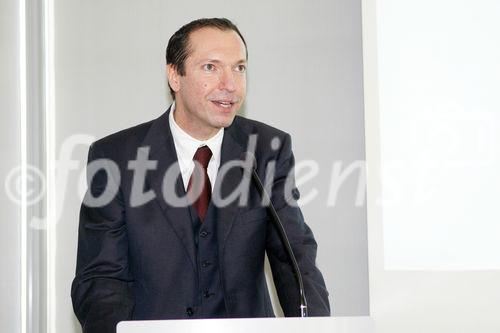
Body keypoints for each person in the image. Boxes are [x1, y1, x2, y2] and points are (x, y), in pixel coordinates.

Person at [71, 18, 330, 333]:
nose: (230, 84)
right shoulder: (116, 158)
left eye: (239, 68)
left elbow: (295, 258)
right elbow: (102, 279)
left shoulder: (266, 150)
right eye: (211, 67)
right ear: (174, 76)